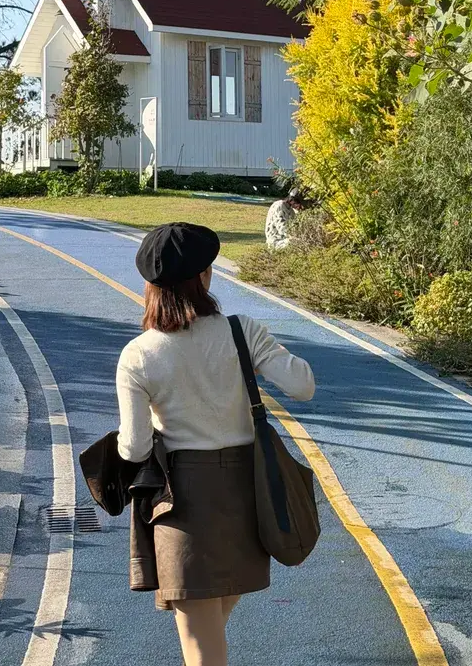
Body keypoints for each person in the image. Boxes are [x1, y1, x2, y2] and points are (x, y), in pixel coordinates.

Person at [116, 221, 315, 666]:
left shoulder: (138, 354)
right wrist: (255, 357)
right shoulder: (243, 332)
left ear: (151, 287)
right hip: (247, 495)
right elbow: (303, 386)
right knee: (210, 632)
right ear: (204, 276)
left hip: (185, 503)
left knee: (202, 646)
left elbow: (134, 449)